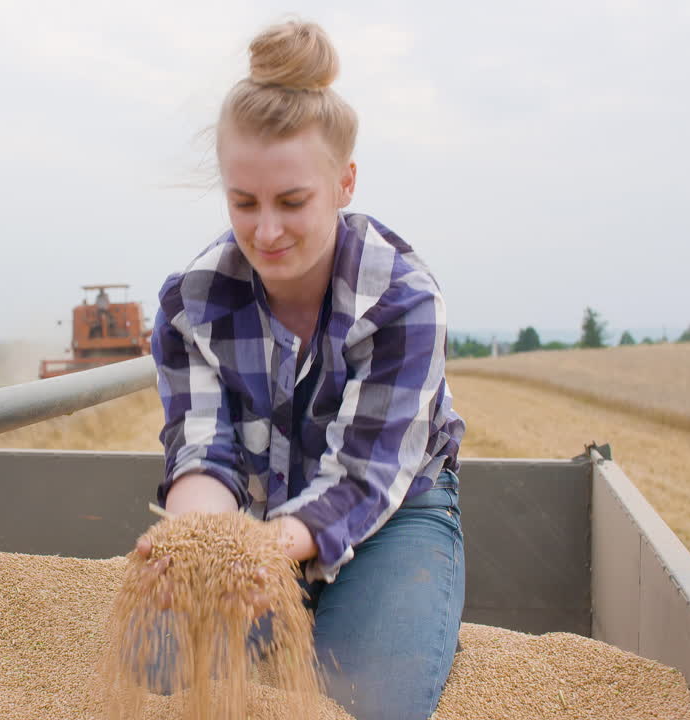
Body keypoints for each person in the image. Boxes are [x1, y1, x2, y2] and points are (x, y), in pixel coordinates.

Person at [135, 19, 466, 720]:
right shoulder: (192, 301)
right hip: (255, 516)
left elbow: (366, 478)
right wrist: (197, 543)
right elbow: (202, 450)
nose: (266, 231)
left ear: (344, 183)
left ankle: (395, 611)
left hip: (390, 512)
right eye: (243, 202)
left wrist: (266, 551)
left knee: (364, 701)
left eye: (292, 202)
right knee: (161, 668)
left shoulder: (402, 299)